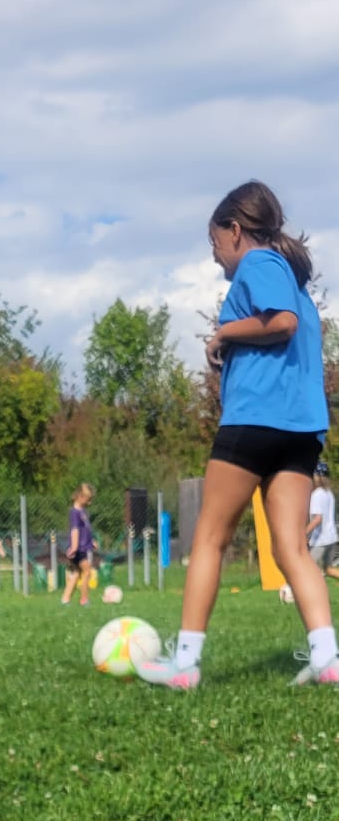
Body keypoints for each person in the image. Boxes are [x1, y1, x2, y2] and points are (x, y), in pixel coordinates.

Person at [138, 181, 337, 690]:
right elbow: (283, 331)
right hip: (300, 430)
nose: (215, 257)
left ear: (234, 230)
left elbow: (282, 323)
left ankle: (185, 664)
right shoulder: (293, 281)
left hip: (255, 421)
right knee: (290, 548)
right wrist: (229, 347)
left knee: (209, 537)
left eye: (215, 243)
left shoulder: (260, 263)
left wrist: (224, 332)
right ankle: (327, 659)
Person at [61, 483, 95, 606]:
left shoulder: (83, 511)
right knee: (87, 571)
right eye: (88, 499)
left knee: (76, 574)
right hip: (78, 548)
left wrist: (91, 541)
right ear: (80, 496)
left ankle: (65, 599)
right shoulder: (74, 512)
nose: (90, 502)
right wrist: (74, 547)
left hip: (83, 547)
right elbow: (75, 530)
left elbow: (85, 529)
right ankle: (84, 599)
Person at [307, 463, 339, 582]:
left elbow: (318, 519)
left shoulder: (317, 494)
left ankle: (295, 591)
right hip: (332, 538)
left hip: (321, 540)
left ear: (316, 477)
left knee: (306, 568)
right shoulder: (329, 493)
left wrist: (304, 533)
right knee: (328, 569)